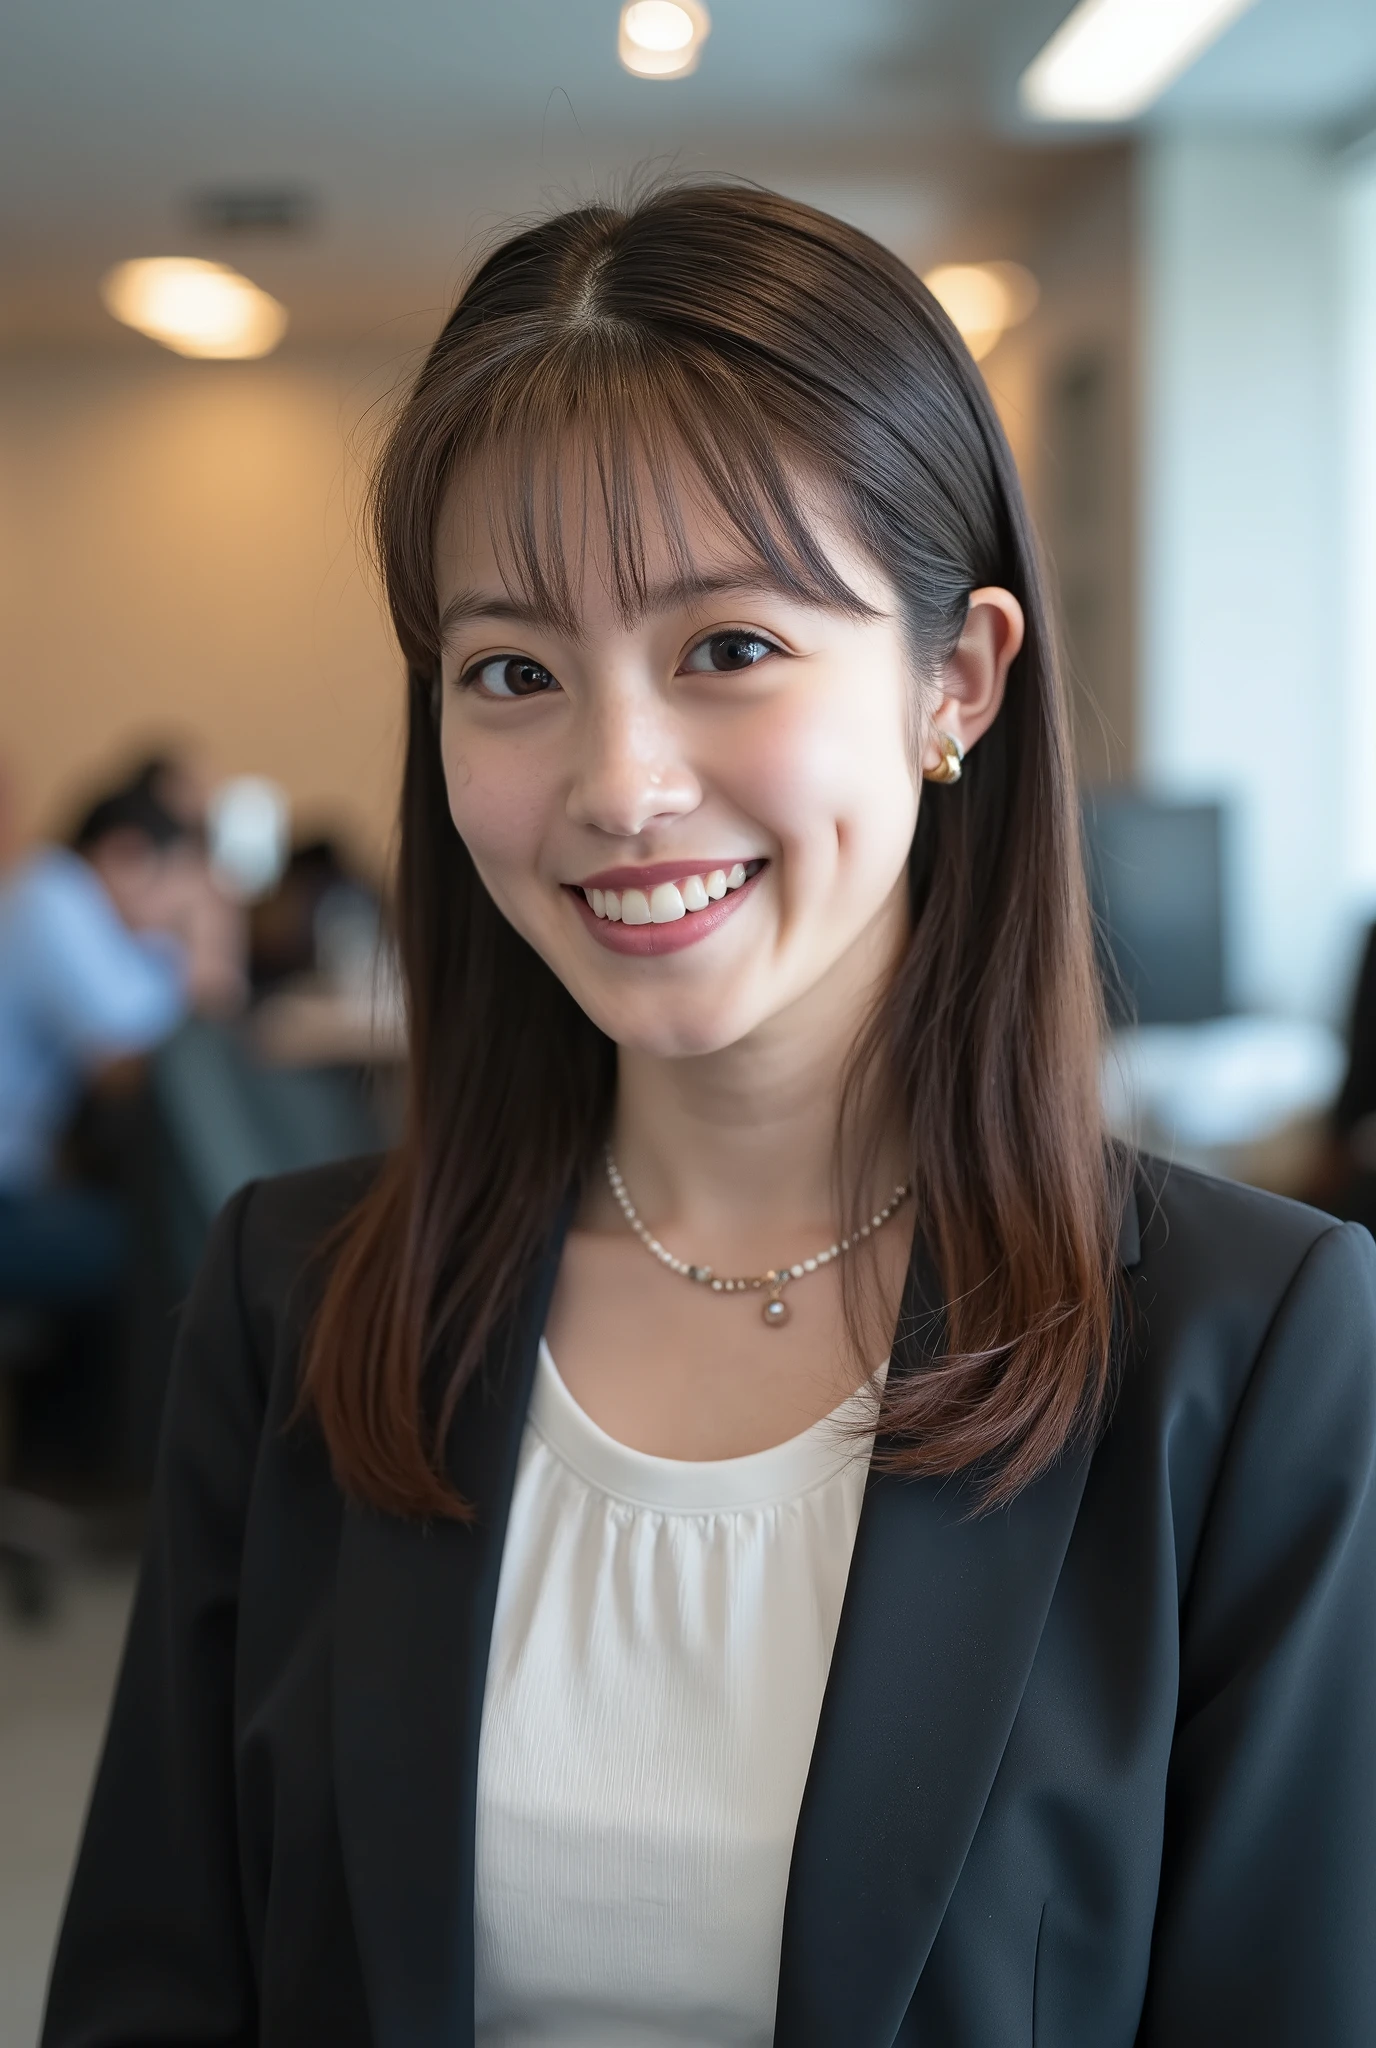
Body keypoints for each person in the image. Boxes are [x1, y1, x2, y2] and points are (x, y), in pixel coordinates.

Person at [43, 186, 1376, 2047]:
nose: (616, 781)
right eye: (511, 671)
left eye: (728, 646)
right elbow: (156, 1993)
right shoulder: (297, 1295)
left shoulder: (1247, 1350)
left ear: (956, 679)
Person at [0, 766, 244, 1470]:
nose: (171, 906)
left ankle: (71, 1472)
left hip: (22, 1188)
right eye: (172, 881)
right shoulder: (51, 896)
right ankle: (98, 1479)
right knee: (164, 1254)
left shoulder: (60, 900)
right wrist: (206, 934)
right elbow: (132, 1056)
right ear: (128, 855)